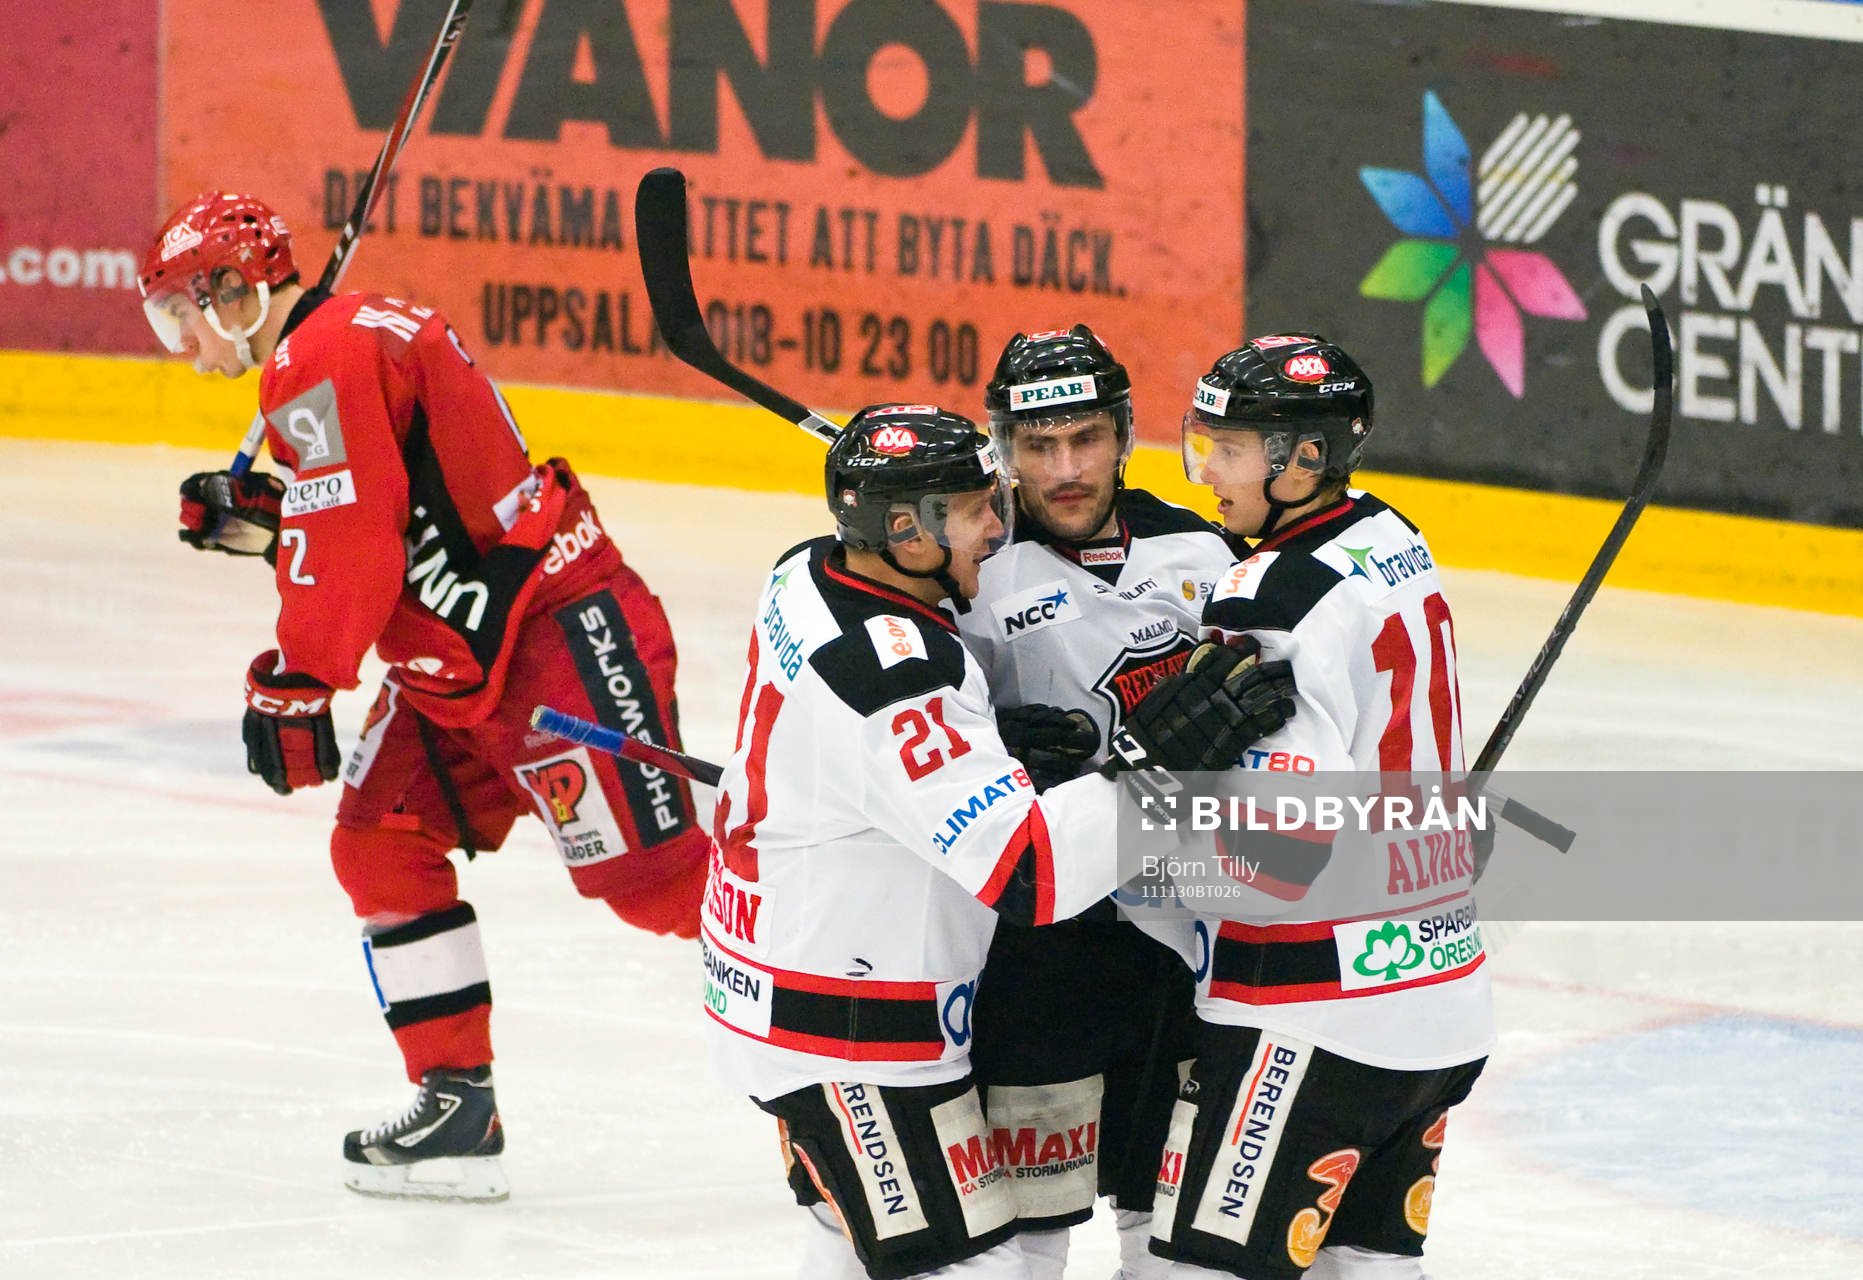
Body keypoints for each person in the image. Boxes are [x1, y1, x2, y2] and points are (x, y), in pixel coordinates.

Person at [137, 192, 711, 1202]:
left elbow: (356, 547)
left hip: (553, 643)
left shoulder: (319, 360)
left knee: (662, 890)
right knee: (379, 839)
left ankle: (871, 999)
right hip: (458, 662)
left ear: (232, 290)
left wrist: (298, 679)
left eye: (181, 310)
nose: (178, 342)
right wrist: (273, 526)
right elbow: (387, 523)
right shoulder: (329, 348)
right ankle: (458, 1099)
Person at [699, 404, 1298, 1280]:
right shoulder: (904, 678)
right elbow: (1029, 876)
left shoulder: (807, 570)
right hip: (851, 1023)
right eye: (977, 508)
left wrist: (993, 747)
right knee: (984, 1270)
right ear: (904, 531)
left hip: (779, 979)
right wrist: (1156, 761)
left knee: (847, 1238)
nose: (999, 521)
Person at [1146, 335, 1492, 1279]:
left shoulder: (1265, 593)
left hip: (1313, 1010)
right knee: (1369, 1267)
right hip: (1443, 989)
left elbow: (1273, 855)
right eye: (1203, 440)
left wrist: (1122, 869)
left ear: (1303, 459)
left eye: (1231, 448)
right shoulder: (1389, 536)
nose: (1206, 469)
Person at [954, 326, 1241, 1280]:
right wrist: (997, 744)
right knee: (1028, 1225)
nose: (1066, 467)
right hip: (1046, 938)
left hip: (1188, 926)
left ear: (1124, 433)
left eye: (1086, 438)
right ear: (1003, 451)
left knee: (1166, 1215)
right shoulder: (970, 572)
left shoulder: (1204, 548)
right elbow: (923, 732)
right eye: (1039, 446)